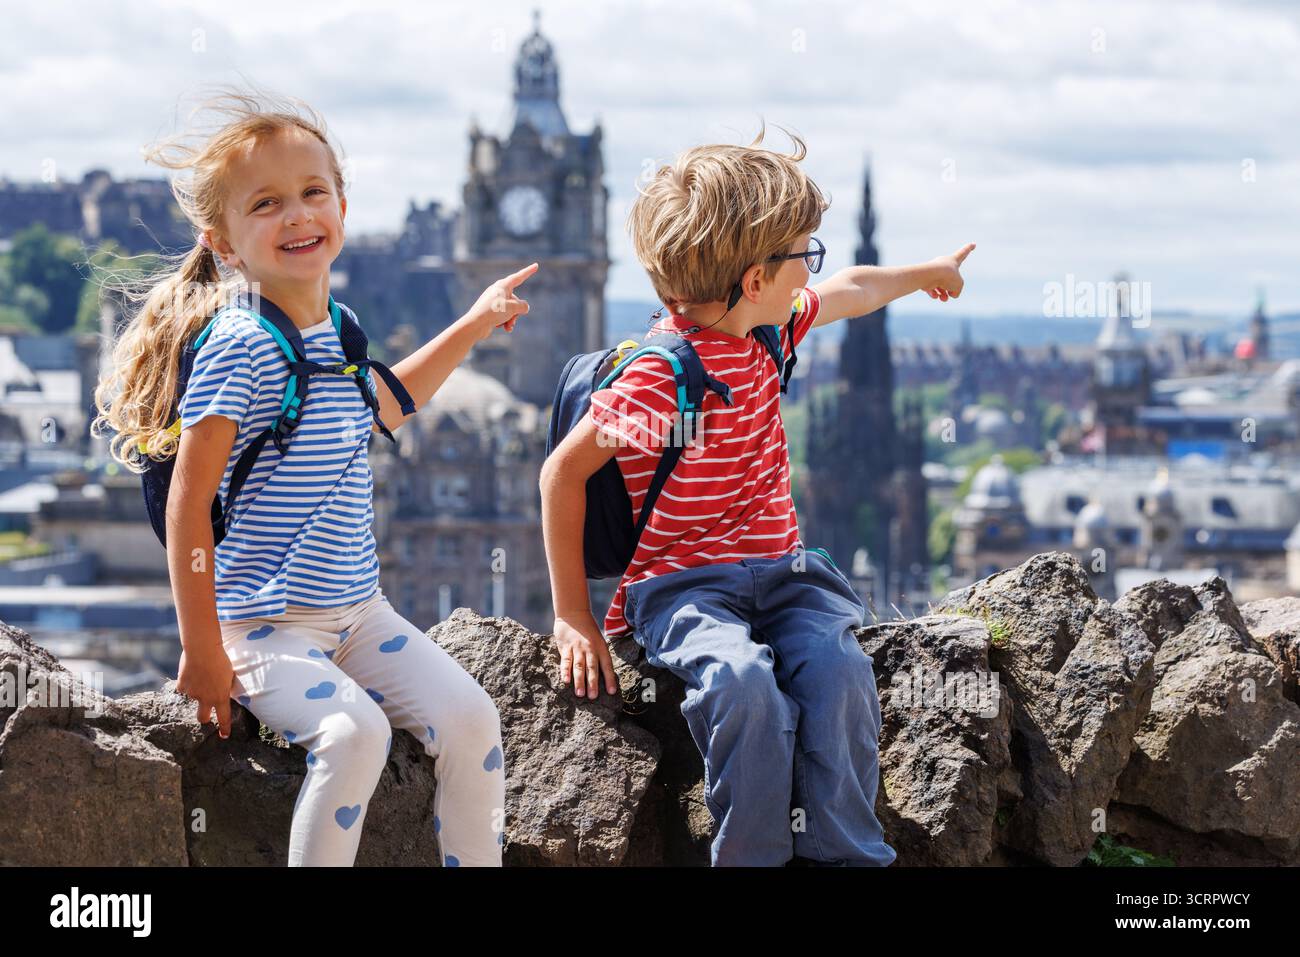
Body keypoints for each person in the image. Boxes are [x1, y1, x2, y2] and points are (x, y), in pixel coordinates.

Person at [93, 87, 535, 866]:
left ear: (341, 206)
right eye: (266, 203)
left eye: (312, 193)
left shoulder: (341, 327)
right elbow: (192, 503)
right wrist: (202, 650)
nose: (297, 215)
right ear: (224, 242)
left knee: (473, 718)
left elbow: (383, 407)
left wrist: (474, 321)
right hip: (261, 623)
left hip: (359, 612)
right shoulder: (240, 345)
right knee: (354, 733)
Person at [540, 125, 974, 865]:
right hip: (683, 586)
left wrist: (922, 271)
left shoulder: (770, 331)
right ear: (753, 280)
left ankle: (846, 853)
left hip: (785, 574)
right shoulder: (659, 376)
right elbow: (562, 471)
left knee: (840, 675)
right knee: (743, 687)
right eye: (805, 252)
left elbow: (853, 290)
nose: (812, 268)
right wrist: (573, 614)